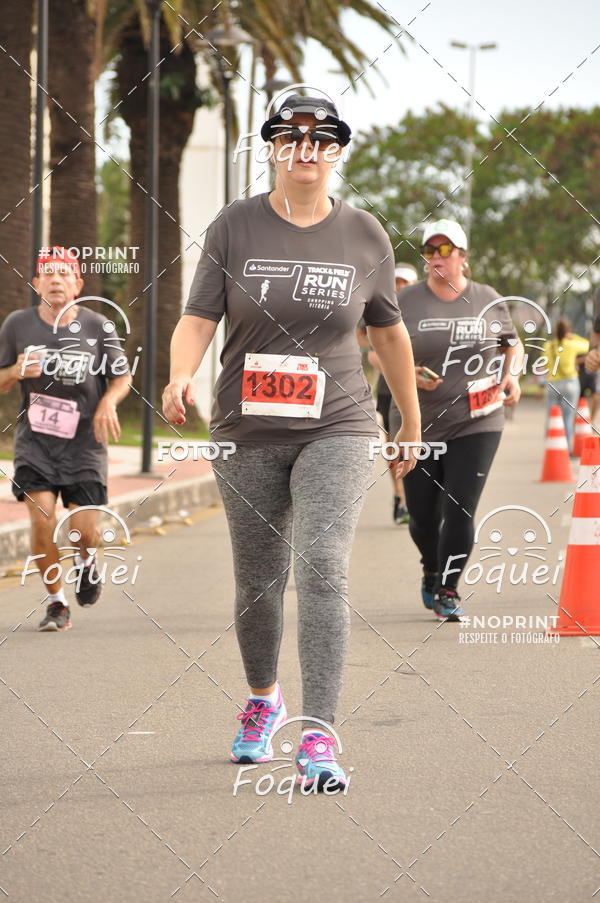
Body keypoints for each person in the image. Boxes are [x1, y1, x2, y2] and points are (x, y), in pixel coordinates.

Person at [163, 94, 420, 791]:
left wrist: (411, 424)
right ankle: (262, 698)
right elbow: (197, 317)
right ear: (272, 146)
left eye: (321, 137)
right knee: (258, 582)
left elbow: (388, 334)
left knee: (324, 565)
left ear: (338, 150)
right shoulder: (234, 227)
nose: (306, 147)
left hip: (338, 423)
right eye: (290, 135)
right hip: (245, 428)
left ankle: (318, 736)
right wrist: (180, 375)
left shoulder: (365, 234)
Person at [388, 219, 522, 621]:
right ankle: (431, 568)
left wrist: (510, 375)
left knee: (460, 506)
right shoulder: (404, 300)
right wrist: (406, 373)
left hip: (477, 418)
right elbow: (377, 349)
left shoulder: (487, 298)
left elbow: (510, 346)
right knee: (422, 515)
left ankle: (448, 587)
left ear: (463, 256)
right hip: (417, 421)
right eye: (430, 250)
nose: (437, 258)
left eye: (446, 250)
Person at [0, 247, 130, 631]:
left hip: (85, 445)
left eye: (64, 274)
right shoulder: (17, 325)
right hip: (35, 444)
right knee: (42, 521)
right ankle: (57, 603)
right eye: (48, 274)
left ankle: (86, 562)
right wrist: (15, 370)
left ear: (78, 285)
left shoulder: (98, 326)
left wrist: (108, 401)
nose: (56, 280)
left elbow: (122, 376)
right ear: (37, 283)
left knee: (83, 530)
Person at [367, 263, 418, 524]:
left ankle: (416, 498)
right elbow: (373, 353)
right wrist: (394, 363)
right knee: (392, 446)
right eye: (396, 281)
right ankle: (400, 497)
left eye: (405, 283)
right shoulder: (381, 306)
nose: (399, 287)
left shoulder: (421, 311)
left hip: (421, 393)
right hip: (387, 391)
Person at [542, 318, 589, 454]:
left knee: (552, 416)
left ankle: (550, 446)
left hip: (552, 384)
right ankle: (566, 449)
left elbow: (545, 364)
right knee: (567, 417)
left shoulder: (548, 346)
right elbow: (587, 344)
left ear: (555, 332)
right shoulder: (572, 344)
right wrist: (572, 336)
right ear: (567, 331)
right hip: (569, 383)